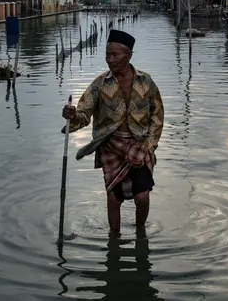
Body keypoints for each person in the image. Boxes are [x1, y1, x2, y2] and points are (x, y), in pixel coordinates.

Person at [62, 29, 164, 235]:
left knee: (142, 197)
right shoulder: (100, 84)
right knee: (114, 198)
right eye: (107, 55)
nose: (110, 59)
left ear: (128, 55)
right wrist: (72, 115)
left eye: (115, 55)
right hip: (111, 146)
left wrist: (149, 145)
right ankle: (114, 237)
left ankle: (141, 232)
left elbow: (157, 115)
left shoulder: (146, 82)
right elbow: (84, 113)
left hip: (139, 146)